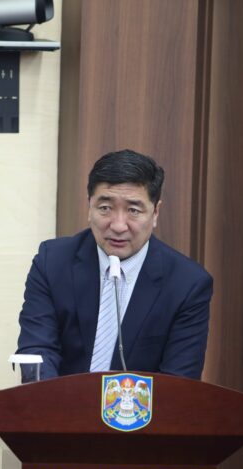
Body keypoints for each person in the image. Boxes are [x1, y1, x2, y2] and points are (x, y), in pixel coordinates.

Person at [16, 149, 213, 381]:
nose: (118, 226)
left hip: (143, 405)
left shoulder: (187, 284)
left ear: (155, 213)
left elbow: (179, 381)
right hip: (61, 401)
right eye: (105, 208)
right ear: (89, 206)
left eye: (133, 210)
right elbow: (37, 351)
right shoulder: (52, 262)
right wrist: (52, 402)